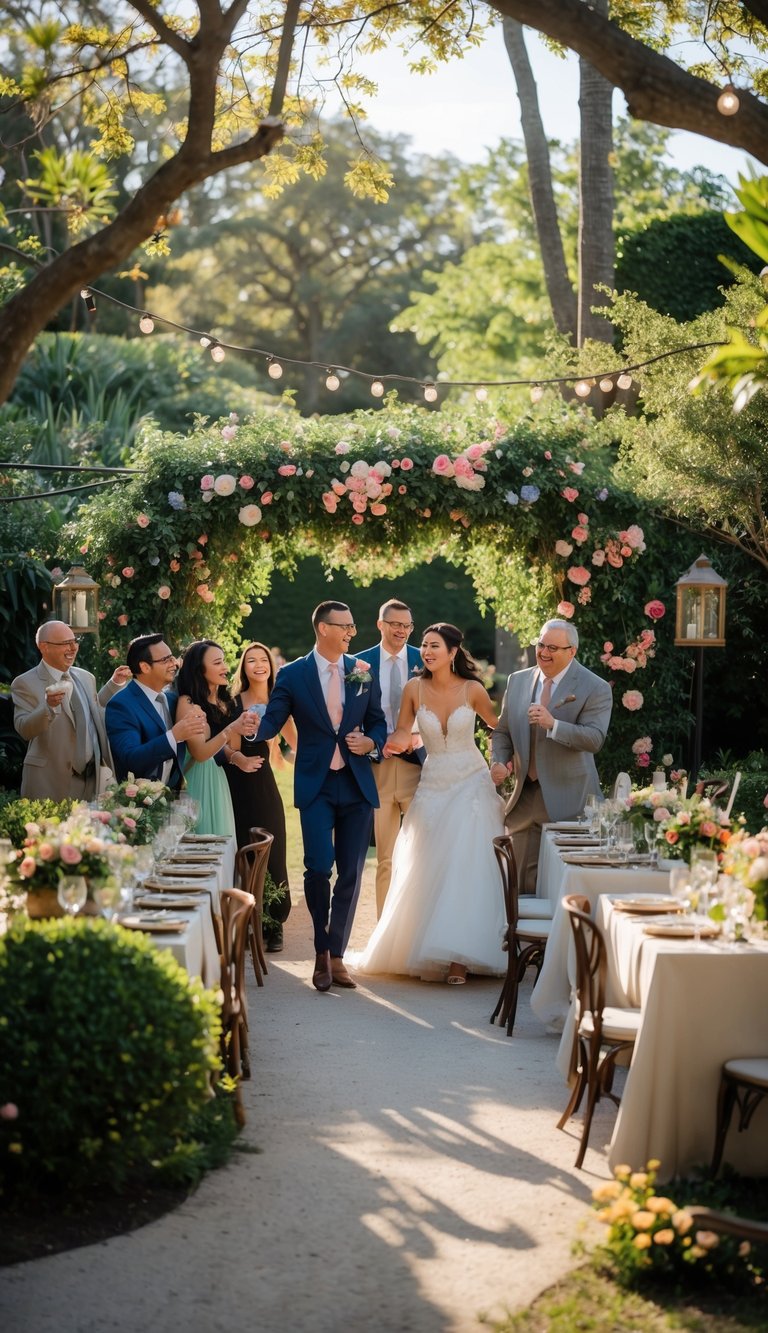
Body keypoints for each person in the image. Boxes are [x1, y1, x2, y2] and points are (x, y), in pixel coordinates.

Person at [353, 623, 506, 985]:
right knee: (425, 863)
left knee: (463, 865)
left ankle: (459, 959)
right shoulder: (413, 688)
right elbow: (405, 730)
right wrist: (393, 741)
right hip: (433, 783)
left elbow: (497, 726)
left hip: (471, 782)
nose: (427, 651)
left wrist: (502, 760)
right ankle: (424, 946)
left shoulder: (473, 690)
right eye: (424, 645)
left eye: (434, 645)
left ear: (453, 652)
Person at [255, 600, 387, 992]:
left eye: (352, 625)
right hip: (315, 783)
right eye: (345, 626)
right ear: (324, 629)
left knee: (350, 871)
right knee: (317, 868)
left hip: (356, 782)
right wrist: (250, 729)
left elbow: (377, 721)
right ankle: (319, 949)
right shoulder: (293, 674)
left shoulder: (362, 671)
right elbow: (273, 722)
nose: (352, 632)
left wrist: (370, 742)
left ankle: (337, 955)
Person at [490, 618, 612, 894]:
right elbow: (502, 732)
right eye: (541, 645)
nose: (544, 652)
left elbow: (595, 739)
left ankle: (556, 938)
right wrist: (498, 760)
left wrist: (553, 725)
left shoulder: (595, 687)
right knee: (516, 884)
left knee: (562, 886)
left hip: (569, 800)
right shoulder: (518, 680)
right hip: (523, 797)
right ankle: (519, 936)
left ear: (572, 651)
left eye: (553, 648)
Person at [224, 641, 297, 951]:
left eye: (263, 659)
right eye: (251, 660)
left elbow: (298, 742)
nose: (258, 664)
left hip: (265, 784)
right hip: (236, 783)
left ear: (271, 665)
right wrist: (240, 756)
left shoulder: (280, 702)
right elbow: (228, 745)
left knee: (273, 851)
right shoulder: (232, 701)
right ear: (244, 667)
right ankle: (247, 919)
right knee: (243, 852)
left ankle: (274, 923)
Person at [12, 620, 131, 801]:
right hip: (49, 783)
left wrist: (114, 685)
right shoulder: (24, 683)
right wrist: (48, 707)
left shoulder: (85, 677)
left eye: (74, 641)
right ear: (44, 647)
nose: (73, 648)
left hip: (91, 781)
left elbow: (93, 711)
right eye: (65, 643)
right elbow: (24, 729)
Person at [358, 598, 425, 917]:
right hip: (378, 767)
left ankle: (415, 926)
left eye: (407, 625)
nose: (402, 630)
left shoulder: (425, 660)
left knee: (421, 854)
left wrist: (416, 740)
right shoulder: (359, 664)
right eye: (395, 624)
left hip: (418, 768)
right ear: (380, 624)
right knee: (385, 856)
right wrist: (376, 743)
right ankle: (384, 928)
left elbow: (437, 711)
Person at [105, 633, 207, 787]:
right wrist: (174, 736)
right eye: (166, 660)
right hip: (138, 803)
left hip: (173, 796)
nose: (174, 664)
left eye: (172, 657)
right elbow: (131, 758)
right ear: (145, 667)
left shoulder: (173, 699)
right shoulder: (121, 705)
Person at [175, 640, 254, 836]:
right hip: (198, 781)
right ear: (199, 669)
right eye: (217, 663)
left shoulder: (224, 702)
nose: (225, 667)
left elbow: (230, 746)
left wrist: (244, 727)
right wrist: (231, 729)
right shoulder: (187, 703)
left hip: (218, 779)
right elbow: (200, 753)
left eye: (224, 661)